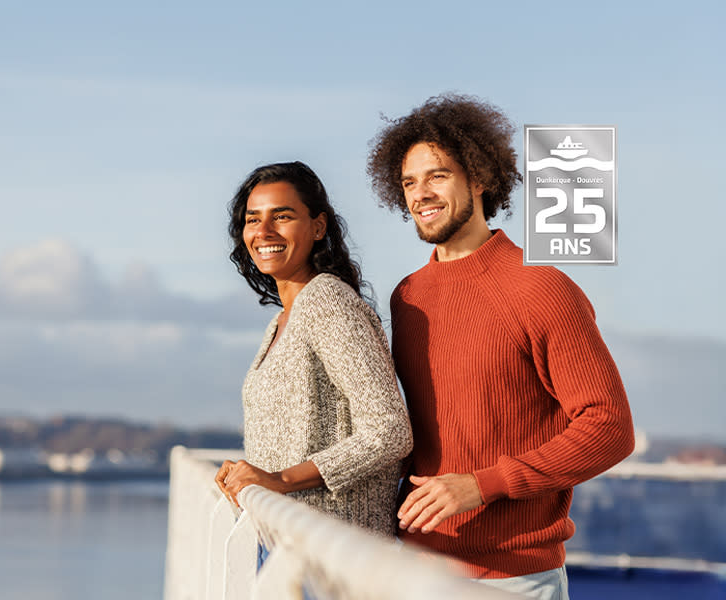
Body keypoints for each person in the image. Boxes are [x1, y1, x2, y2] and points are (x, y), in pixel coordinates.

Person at [366, 94, 634, 598]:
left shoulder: (540, 287)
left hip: (513, 581)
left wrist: (483, 484)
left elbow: (610, 427)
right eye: (408, 182)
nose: (421, 194)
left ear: (480, 178)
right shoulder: (407, 297)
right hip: (414, 571)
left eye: (437, 176)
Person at [214, 161, 412, 537]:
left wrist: (280, 479)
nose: (264, 231)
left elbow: (389, 432)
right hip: (286, 543)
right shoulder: (281, 320)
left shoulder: (327, 300)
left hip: (332, 548)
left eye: (282, 216)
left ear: (318, 227)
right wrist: (253, 474)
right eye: (253, 219)